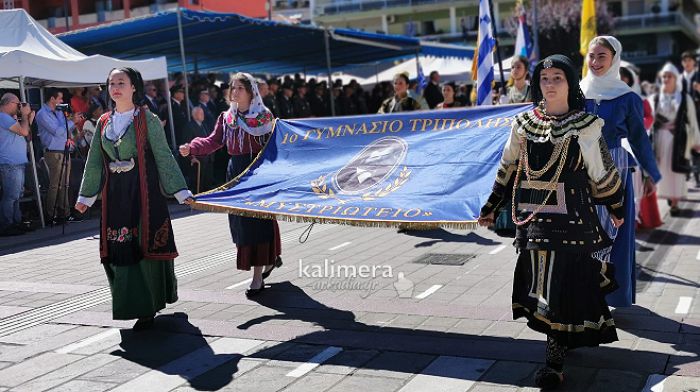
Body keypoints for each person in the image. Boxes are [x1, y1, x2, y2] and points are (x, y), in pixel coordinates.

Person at [479, 55, 625, 389]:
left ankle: (554, 361)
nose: (550, 83)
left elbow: (601, 172)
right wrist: (491, 206)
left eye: (557, 77)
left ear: (571, 83)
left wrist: (616, 207)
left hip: (572, 220)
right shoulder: (524, 123)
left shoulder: (586, 125)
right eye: (544, 78)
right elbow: (507, 168)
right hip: (532, 220)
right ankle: (560, 339)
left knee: (559, 284)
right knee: (543, 284)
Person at [75, 67, 193, 331]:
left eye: (121, 82)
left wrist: (180, 191)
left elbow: (163, 155)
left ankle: (146, 306)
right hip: (115, 194)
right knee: (118, 243)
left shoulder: (146, 118)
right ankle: (130, 303)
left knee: (142, 243)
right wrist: (86, 195)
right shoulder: (104, 121)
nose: (115, 87)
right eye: (111, 83)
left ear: (133, 88)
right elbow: (94, 160)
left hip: (143, 192)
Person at [179, 72, 282, 297]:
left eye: (239, 88)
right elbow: (214, 141)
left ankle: (257, 276)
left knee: (257, 223)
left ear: (251, 92)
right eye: (232, 88)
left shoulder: (264, 117)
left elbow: (275, 148)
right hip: (235, 173)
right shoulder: (227, 117)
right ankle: (268, 260)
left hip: (257, 174)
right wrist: (192, 148)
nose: (234, 92)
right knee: (240, 225)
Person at [580, 36, 661, 307]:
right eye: (592, 56)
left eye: (602, 56)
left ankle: (602, 295)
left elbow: (639, 138)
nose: (595, 62)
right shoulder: (577, 92)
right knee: (580, 231)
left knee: (608, 232)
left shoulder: (627, 97)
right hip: (578, 169)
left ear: (614, 59)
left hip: (614, 167)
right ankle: (582, 291)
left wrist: (651, 174)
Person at [648, 62, 700, 216]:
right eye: (664, 76)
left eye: (669, 76)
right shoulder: (655, 98)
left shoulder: (685, 98)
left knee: (676, 172)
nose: (666, 79)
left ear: (676, 78)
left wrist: (697, 142)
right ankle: (668, 196)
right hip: (659, 140)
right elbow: (649, 120)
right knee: (661, 170)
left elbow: (692, 120)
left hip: (678, 141)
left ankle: (675, 202)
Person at [36, 88, 76, 224]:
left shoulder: (59, 112)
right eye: (60, 98)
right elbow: (58, 131)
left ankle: (64, 214)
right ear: (52, 99)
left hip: (64, 150)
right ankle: (50, 214)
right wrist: (73, 121)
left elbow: (66, 130)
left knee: (65, 184)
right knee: (55, 185)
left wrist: (70, 121)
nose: (62, 101)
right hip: (53, 152)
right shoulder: (42, 114)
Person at [0, 94, 34, 236]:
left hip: (17, 163)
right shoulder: (3, 117)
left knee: (16, 196)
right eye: (18, 103)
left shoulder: (10, 118)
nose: (19, 106)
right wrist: (25, 116)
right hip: (10, 164)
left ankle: (16, 222)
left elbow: (28, 135)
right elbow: (24, 131)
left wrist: (28, 119)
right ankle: (7, 225)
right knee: (10, 196)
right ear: (8, 103)